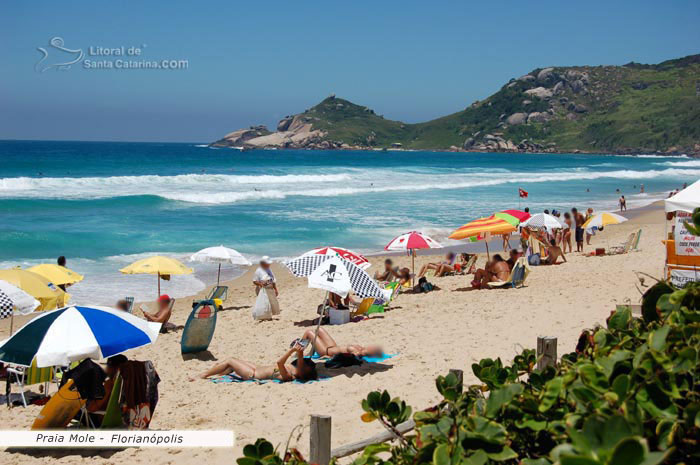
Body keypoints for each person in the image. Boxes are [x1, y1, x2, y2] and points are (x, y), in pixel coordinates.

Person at [191, 341, 317, 382]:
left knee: (230, 360)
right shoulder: (295, 369)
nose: (303, 364)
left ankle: (203, 375)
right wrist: (299, 352)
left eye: (306, 366)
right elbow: (301, 363)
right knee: (233, 363)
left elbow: (279, 363)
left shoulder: (289, 376)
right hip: (258, 367)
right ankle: (225, 371)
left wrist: (291, 352)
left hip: (253, 374)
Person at [85, 355, 127, 424]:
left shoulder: (110, 384)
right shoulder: (129, 383)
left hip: (104, 421)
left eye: (107, 365)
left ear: (113, 368)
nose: (106, 368)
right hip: (122, 421)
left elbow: (92, 409)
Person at [301, 327, 382, 357]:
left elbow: (342, 358)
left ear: (371, 352)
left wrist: (327, 357)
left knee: (308, 332)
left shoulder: (357, 353)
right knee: (319, 329)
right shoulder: (360, 348)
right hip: (332, 346)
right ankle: (311, 352)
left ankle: (298, 353)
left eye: (373, 348)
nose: (372, 346)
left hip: (325, 351)